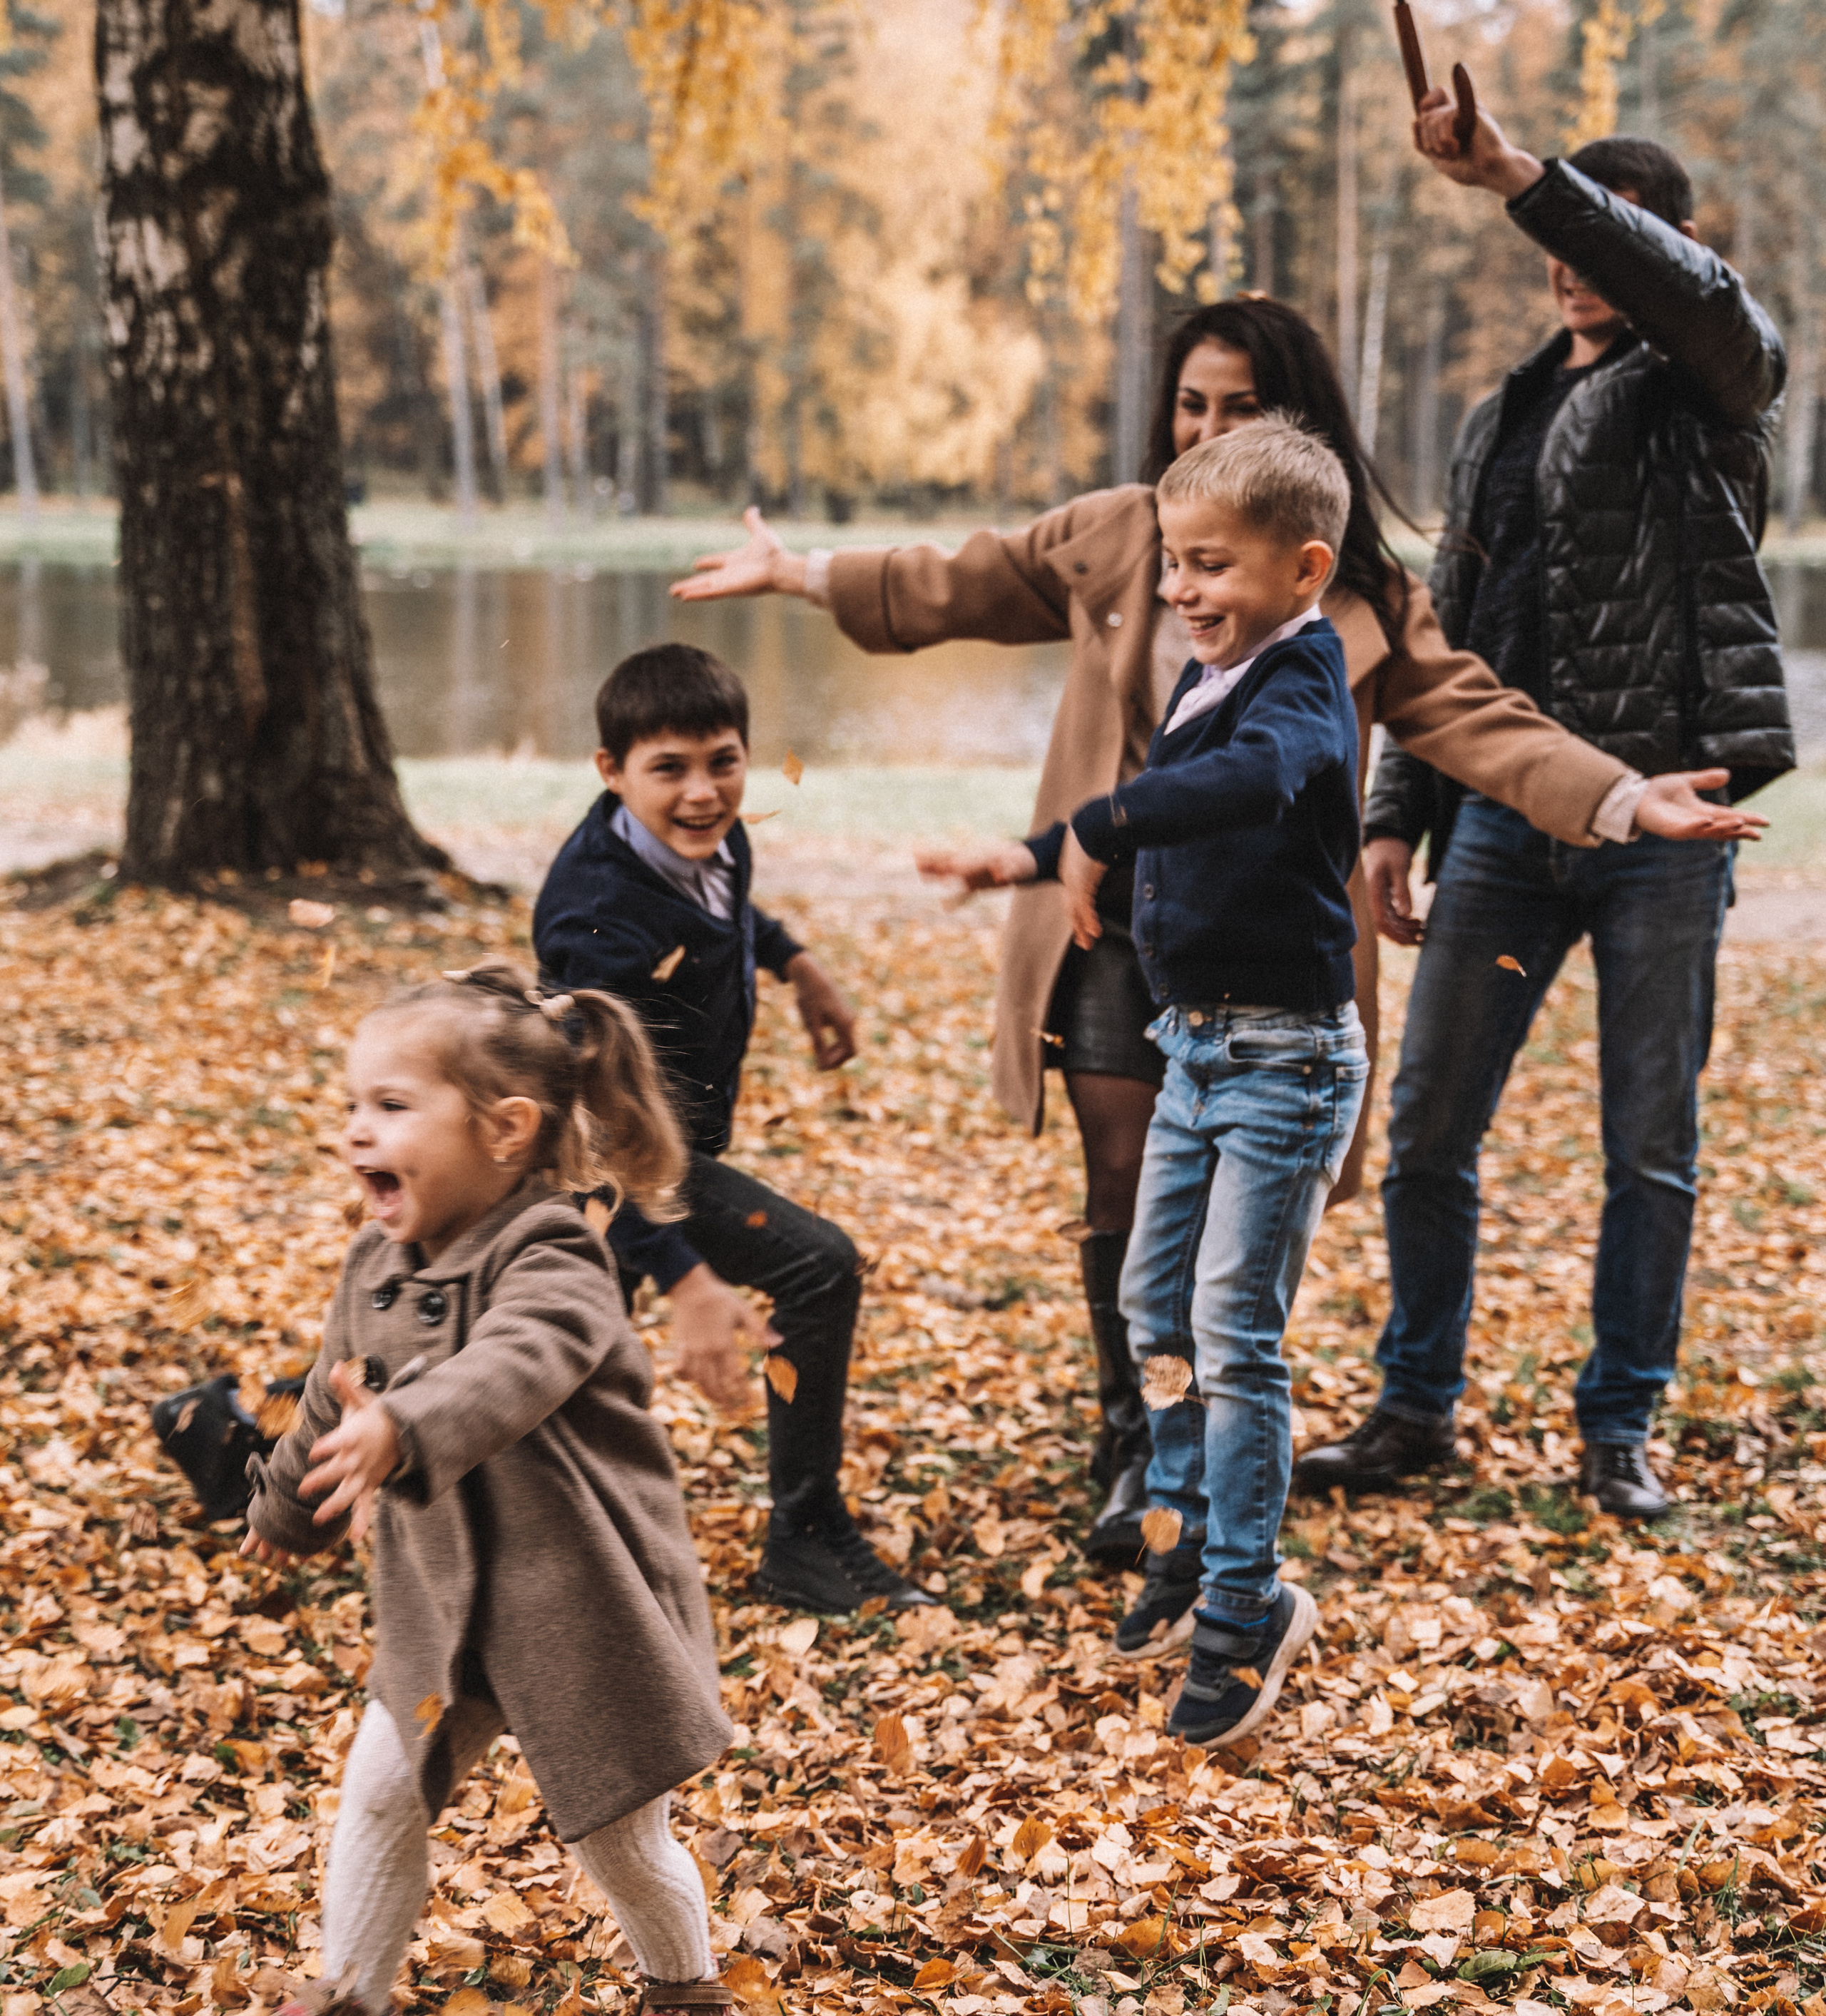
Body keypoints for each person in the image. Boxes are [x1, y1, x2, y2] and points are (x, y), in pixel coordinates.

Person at [671, 297, 1757, 1572]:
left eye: (1239, 406)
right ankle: (1136, 1433)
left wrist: (1622, 796)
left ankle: (1209, 1459)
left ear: (1296, 424)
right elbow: (954, 581)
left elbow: (1474, 717)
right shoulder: (1130, 538)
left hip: (1261, 951)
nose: (1207, 426)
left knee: (1229, 1215)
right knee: (1127, 1184)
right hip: (1112, 926)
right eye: (1192, 404)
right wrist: (800, 572)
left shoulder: (1347, 596)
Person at [1296, 116, 1789, 1521]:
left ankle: (1616, 1425)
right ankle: (1410, 1410)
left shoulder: (1704, 385)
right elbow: (1440, 632)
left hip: (1666, 824)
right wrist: (1394, 809)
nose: (1571, 254)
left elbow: (1705, 315)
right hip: (1505, 827)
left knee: (1647, 1145)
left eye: (1606, 223)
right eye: (1566, 229)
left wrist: (1529, 182)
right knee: (1424, 1131)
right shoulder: (1496, 414)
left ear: (1665, 243)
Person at [919, 418, 1365, 1744]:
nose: (1181, 591)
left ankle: (1247, 1603)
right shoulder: (1209, 676)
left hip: (1286, 1062)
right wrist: (1052, 854)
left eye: (1212, 567)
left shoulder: (1302, 691)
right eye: (1175, 563)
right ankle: (1179, 1536)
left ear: (1305, 569)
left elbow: (1244, 785)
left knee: (1236, 1334)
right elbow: (1163, 791)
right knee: (1149, 1302)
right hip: (1194, 1049)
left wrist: (1101, 828)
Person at [221, 964, 736, 2016]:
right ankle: (344, 2013)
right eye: (354, 1105)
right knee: (382, 1793)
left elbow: (518, 1367)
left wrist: (405, 1428)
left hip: (578, 1604)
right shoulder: (376, 1261)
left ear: (505, 1129)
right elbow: (331, 1395)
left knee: (616, 1834)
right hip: (440, 1608)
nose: (359, 1131)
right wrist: (285, 1508)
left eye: (394, 1107)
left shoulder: (555, 1253)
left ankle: (685, 1981)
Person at [533, 642, 928, 1616]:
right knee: (815, 1264)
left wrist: (798, 967)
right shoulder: (592, 918)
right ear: (611, 773)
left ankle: (259, 1444)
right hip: (598, 1162)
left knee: (528, 1343)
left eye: (724, 761)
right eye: (668, 769)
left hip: (669, 1144)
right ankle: (807, 1539)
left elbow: (729, 908)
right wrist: (689, 1275)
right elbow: (594, 1135)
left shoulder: (714, 840)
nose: (704, 793)